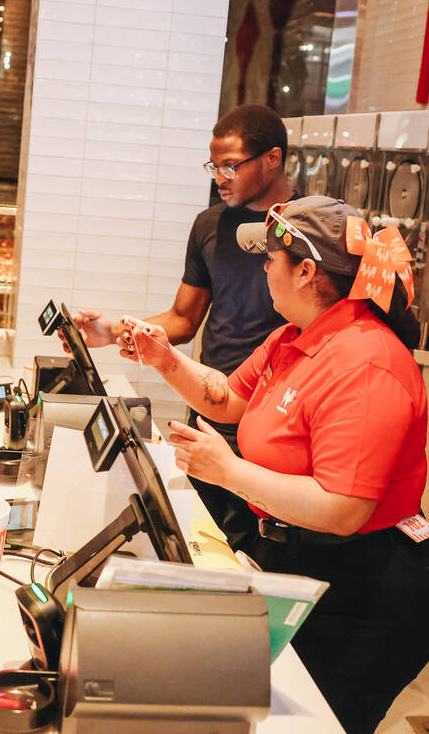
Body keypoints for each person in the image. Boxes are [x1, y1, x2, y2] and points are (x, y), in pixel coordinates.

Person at [122, 195, 429, 734]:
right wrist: (164, 359)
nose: (262, 267)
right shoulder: (291, 339)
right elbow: (227, 397)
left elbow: (343, 509)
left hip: (368, 590)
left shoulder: (367, 363)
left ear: (306, 272)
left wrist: (226, 470)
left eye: (270, 258)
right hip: (300, 558)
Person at [72, 104, 296, 549]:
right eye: (215, 165)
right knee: (203, 544)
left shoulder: (309, 228)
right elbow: (184, 319)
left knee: (258, 555)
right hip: (210, 406)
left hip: (274, 422)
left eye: (231, 165)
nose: (220, 177)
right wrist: (113, 330)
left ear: (272, 158)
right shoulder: (209, 226)